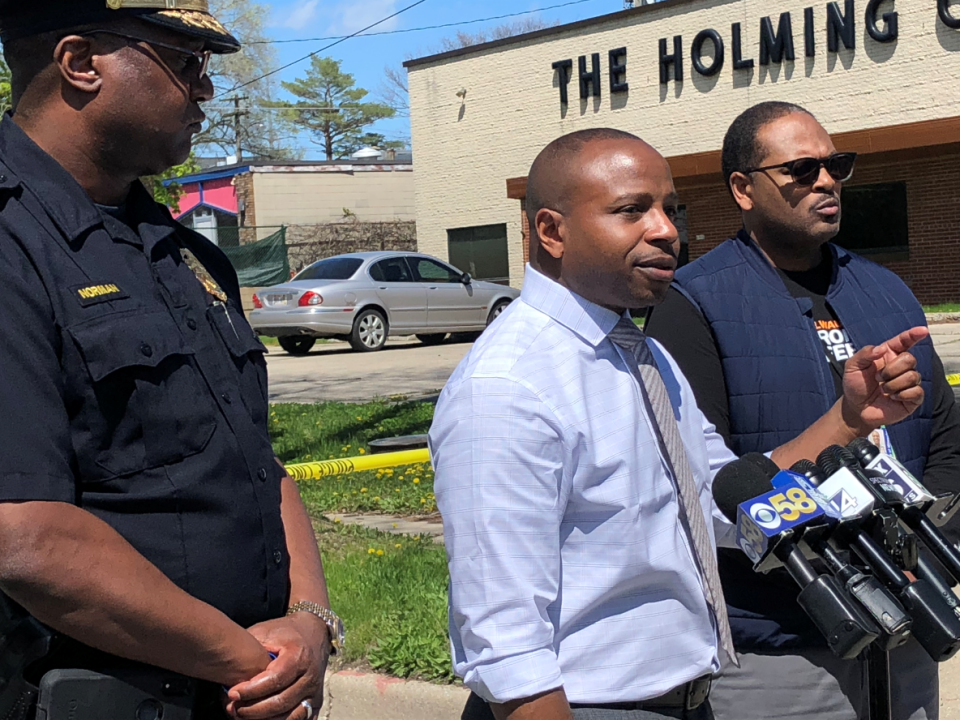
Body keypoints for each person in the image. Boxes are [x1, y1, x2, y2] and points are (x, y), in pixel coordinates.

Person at [429, 127, 929, 720]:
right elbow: (504, 639)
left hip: (688, 699)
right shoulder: (509, 386)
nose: (667, 229)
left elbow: (722, 500)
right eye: (631, 210)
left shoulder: (642, 354)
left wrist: (848, 419)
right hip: (587, 706)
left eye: (669, 208)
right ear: (551, 231)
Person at [0, 2, 342, 719]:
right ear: (80, 63)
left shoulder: (186, 255)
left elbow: (258, 462)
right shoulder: (13, 245)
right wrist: (254, 664)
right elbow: (24, 535)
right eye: (184, 62)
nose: (206, 89)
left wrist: (310, 622)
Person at [645, 101, 960, 720]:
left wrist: (924, 552)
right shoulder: (692, 305)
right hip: (781, 645)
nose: (826, 181)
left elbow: (946, 437)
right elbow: (704, 485)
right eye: (801, 169)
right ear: (742, 188)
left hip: (911, 626)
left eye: (835, 164)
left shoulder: (886, 288)